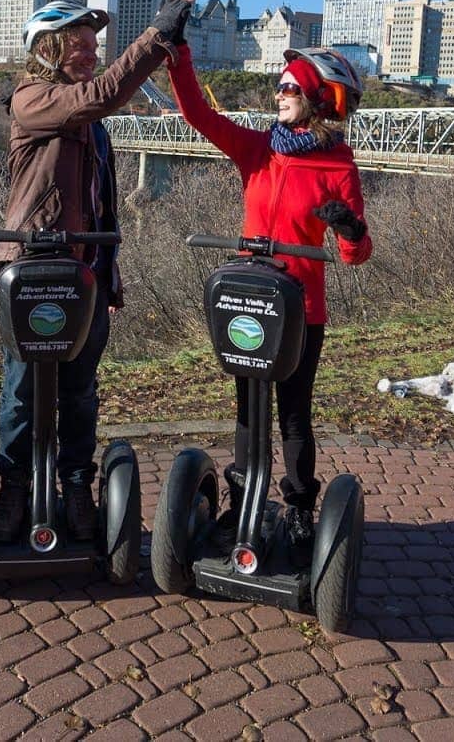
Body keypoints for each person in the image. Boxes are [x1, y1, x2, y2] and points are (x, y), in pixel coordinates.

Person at [0, 0, 195, 542]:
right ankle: (14, 490)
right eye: (79, 44)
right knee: (23, 390)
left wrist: (108, 278)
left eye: (93, 45)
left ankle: (76, 484)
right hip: (34, 269)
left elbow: (102, 207)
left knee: (79, 390)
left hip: (85, 275)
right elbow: (103, 93)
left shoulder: (94, 128)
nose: (90, 52)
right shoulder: (32, 98)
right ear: (47, 48)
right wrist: (154, 37)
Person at [165, 40, 372, 555]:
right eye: (278, 86)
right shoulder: (259, 149)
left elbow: (356, 255)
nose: (279, 94)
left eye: (290, 87)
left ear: (319, 97)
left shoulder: (338, 167)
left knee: (293, 414)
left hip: (300, 311)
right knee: (247, 410)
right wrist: (179, 52)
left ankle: (300, 509)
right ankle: (244, 498)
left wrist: (348, 228)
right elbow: (197, 114)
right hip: (247, 301)